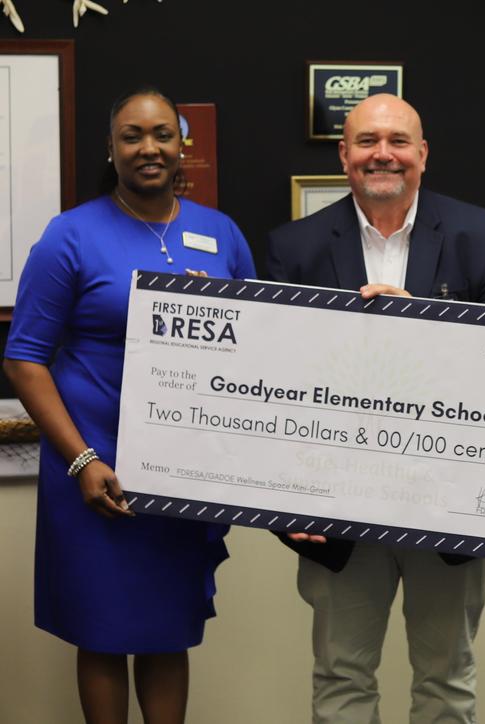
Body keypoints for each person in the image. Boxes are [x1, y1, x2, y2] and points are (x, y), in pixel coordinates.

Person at [266, 93, 485, 724]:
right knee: (341, 679)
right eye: (367, 141)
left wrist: (423, 327)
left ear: (422, 154)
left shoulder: (481, 236)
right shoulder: (294, 247)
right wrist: (278, 501)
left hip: (447, 504)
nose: (383, 154)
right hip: (335, 508)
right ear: (344, 155)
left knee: (447, 683)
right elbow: (268, 384)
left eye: (398, 141)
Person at [3, 87, 256, 724]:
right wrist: (82, 460)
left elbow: (258, 349)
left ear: (181, 145)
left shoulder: (221, 233)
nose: (149, 148)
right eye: (132, 135)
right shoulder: (70, 235)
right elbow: (24, 358)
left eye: (162, 134)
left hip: (182, 467)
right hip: (94, 463)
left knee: (168, 629)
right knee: (103, 629)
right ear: (111, 148)